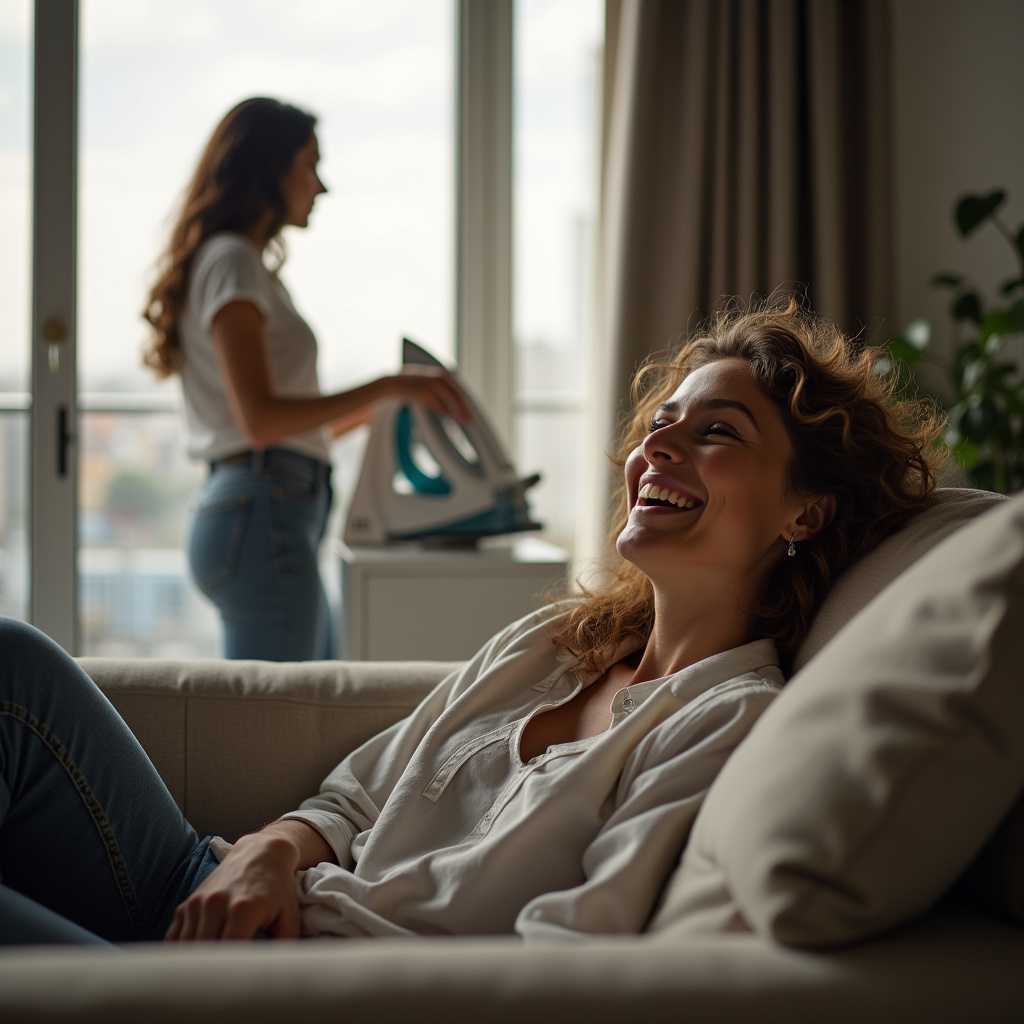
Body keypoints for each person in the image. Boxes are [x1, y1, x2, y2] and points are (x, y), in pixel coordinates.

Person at [0, 297, 945, 945]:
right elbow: (353, 797)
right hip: (224, 894)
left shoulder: (724, 720)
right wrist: (263, 856)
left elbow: (571, 950)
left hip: (301, 981)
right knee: (16, 666)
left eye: (717, 431)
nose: (659, 444)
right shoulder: (555, 646)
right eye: (663, 421)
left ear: (805, 513)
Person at [142, 97, 467, 660]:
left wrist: (395, 405)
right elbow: (262, 422)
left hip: (262, 504)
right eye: (309, 165)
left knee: (302, 692)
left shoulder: (242, 266)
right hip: (263, 505)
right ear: (270, 169)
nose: (321, 186)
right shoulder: (232, 262)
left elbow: (294, 428)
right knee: (281, 707)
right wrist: (389, 385)